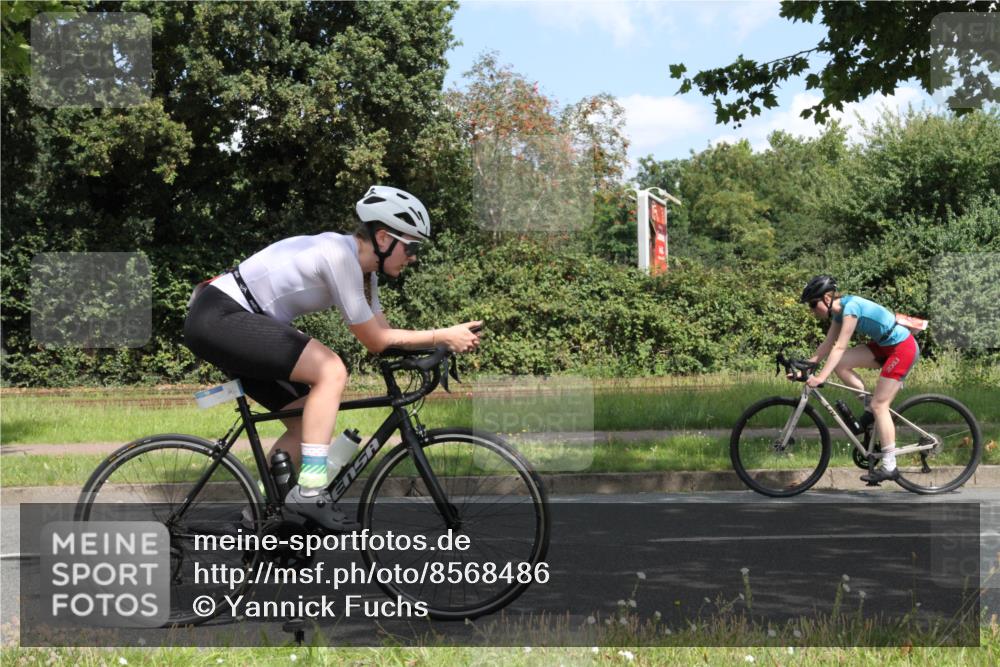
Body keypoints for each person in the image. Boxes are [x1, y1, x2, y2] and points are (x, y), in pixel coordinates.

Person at [183, 185, 481, 530]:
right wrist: (441, 335)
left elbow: (384, 337)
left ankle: (260, 518)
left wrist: (437, 346)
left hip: (236, 321)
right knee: (331, 370)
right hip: (220, 316)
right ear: (383, 239)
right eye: (411, 246)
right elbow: (374, 339)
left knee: (305, 423)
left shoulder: (366, 276)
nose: (413, 257)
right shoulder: (340, 256)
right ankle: (310, 491)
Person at [798, 275, 920, 483]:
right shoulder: (839, 313)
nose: (811, 310)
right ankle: (868, 408)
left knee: (880, 405)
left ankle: (890, 466)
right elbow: (828, 344)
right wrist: (806, 368)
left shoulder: (851, 308)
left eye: (812, 304)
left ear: (827, 298)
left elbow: (839, 346)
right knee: (842, 364)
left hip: (902, 348)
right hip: (884, 346)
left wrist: (820, 377)